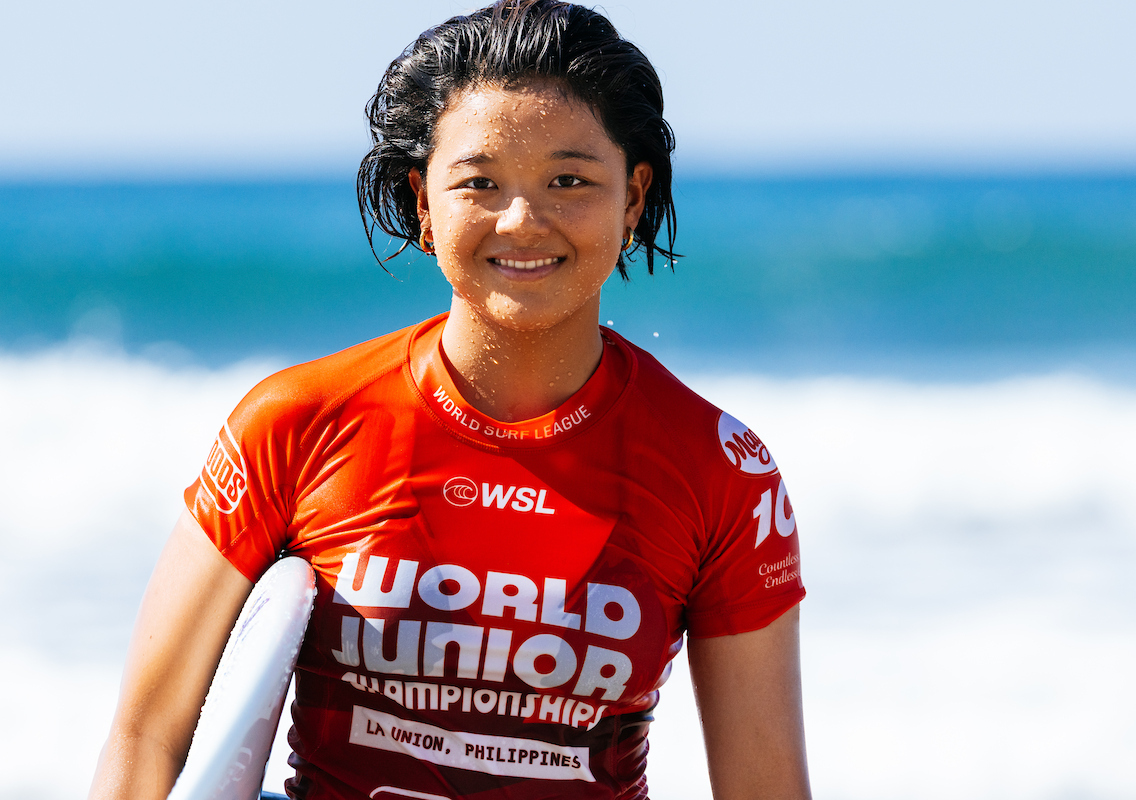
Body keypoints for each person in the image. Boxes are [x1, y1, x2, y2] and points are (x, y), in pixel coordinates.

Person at [89, 1, 810, 798]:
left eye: (569, 181)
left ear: (632, 199)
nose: (523, 220)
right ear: (424, 203)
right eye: (480, 183)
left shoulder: (721, 472)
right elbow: (146, 736)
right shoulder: (296, 424)